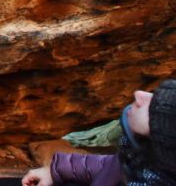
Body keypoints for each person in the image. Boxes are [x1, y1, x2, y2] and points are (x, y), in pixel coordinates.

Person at [22, 79, 176, 186]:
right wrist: (58, 171)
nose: (139, 94)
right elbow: (115, 169)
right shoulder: (143, 160)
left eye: (154, 109)